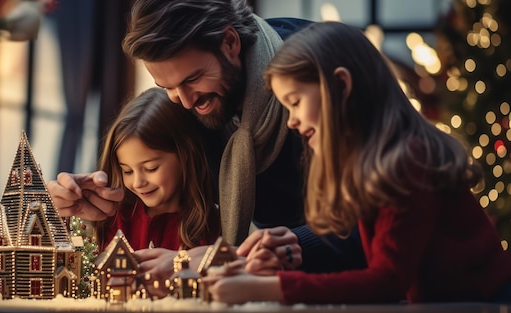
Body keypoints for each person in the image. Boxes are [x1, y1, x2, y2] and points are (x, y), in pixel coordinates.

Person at [48, 0, 366, 296]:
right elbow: (169, 181)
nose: (185, 101)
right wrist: (96, 202)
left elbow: (384, 219)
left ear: (230, 43)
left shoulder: (327, 74)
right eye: (167, 88)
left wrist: (252, 252)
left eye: (193, 79)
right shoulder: (197, 107)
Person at [203, 21, 511, 304]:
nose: (292, 121)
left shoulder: (408, 161)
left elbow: (386, 281)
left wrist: (267, 287)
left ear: (340, 86)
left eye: (295, 103)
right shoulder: (370, 163)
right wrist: (292, 248)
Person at [87, 87, 220, 251]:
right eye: (127, 171)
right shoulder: (116, 218)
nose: (137, 183)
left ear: (184, 155)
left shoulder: (211, 226)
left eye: (151, 168)